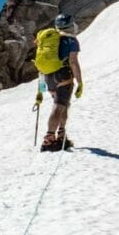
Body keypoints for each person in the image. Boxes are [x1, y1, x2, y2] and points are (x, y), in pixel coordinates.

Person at [35, 13, 84, 152]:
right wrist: (80, 83)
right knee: (59, 106)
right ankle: (49, 139)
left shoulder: (49, 39)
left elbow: (40, 64)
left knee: (62, 105)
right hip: (64, 76)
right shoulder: (71, 41)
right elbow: (73, 62)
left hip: (49, 77)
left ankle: (62, 135)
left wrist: (40, 89)